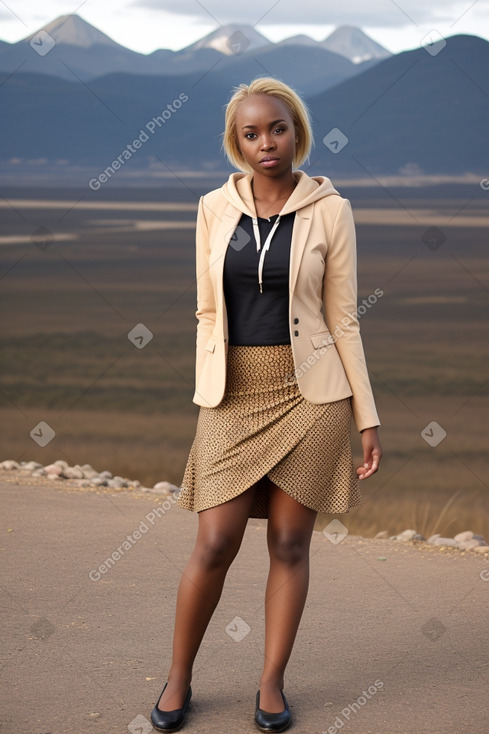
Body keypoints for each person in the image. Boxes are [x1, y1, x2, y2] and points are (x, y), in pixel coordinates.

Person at [150, 76, 382, 733]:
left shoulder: (329, 209)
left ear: (295, 131)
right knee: (214, 541)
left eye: (275, 129)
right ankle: (178, 677)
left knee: (288, 544)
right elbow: (204, 307)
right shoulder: (212, 208)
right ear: (236, 141)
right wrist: (209, 385)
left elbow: (345, 320)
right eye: (250, 133)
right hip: (232, 393)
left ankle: (271, 683)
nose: (265, 142)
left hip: (313, 392)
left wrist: (366, 415)